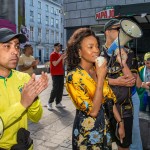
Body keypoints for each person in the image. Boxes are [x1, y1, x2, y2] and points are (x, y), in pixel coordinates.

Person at [65, 28, 125, 150]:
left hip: (105, 129)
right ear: (79, 52)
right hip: (87, 134)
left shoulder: (96, 70)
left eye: (97, 46)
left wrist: (120, 122)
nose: (97, 50)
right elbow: (93, 111)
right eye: (90, 47)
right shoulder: (73, 77)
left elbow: (109, 98)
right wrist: (101, 78)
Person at [0, 28, 48, 149]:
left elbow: (36, 117)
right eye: (7, 46)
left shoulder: (24, 78)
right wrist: (22, 104)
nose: (15, 52)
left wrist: (33, 98)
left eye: (16, 46)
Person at [101, 19, 139, 150]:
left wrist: (122, 63)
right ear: (107, 32)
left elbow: (132, 81)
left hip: (124, 109)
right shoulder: (98, 55)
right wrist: (115, 81)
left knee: (123, 145)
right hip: (104, 109)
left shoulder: (129, 53)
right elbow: (93, 82)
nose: (122, 32)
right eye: (118, 29)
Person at [47, 43, 66, 110]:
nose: (59, 47)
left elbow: (62, 64)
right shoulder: (53, 54)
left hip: (61, 73)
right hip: (55, 74)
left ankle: (58, 103)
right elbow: (54, 64)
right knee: (55, 89)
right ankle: (49, 102)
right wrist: (61, 58)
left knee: (61, 88)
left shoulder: (59, 54)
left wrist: (63, 58)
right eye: (58, 46)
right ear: (55, 47)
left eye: (60, 46)